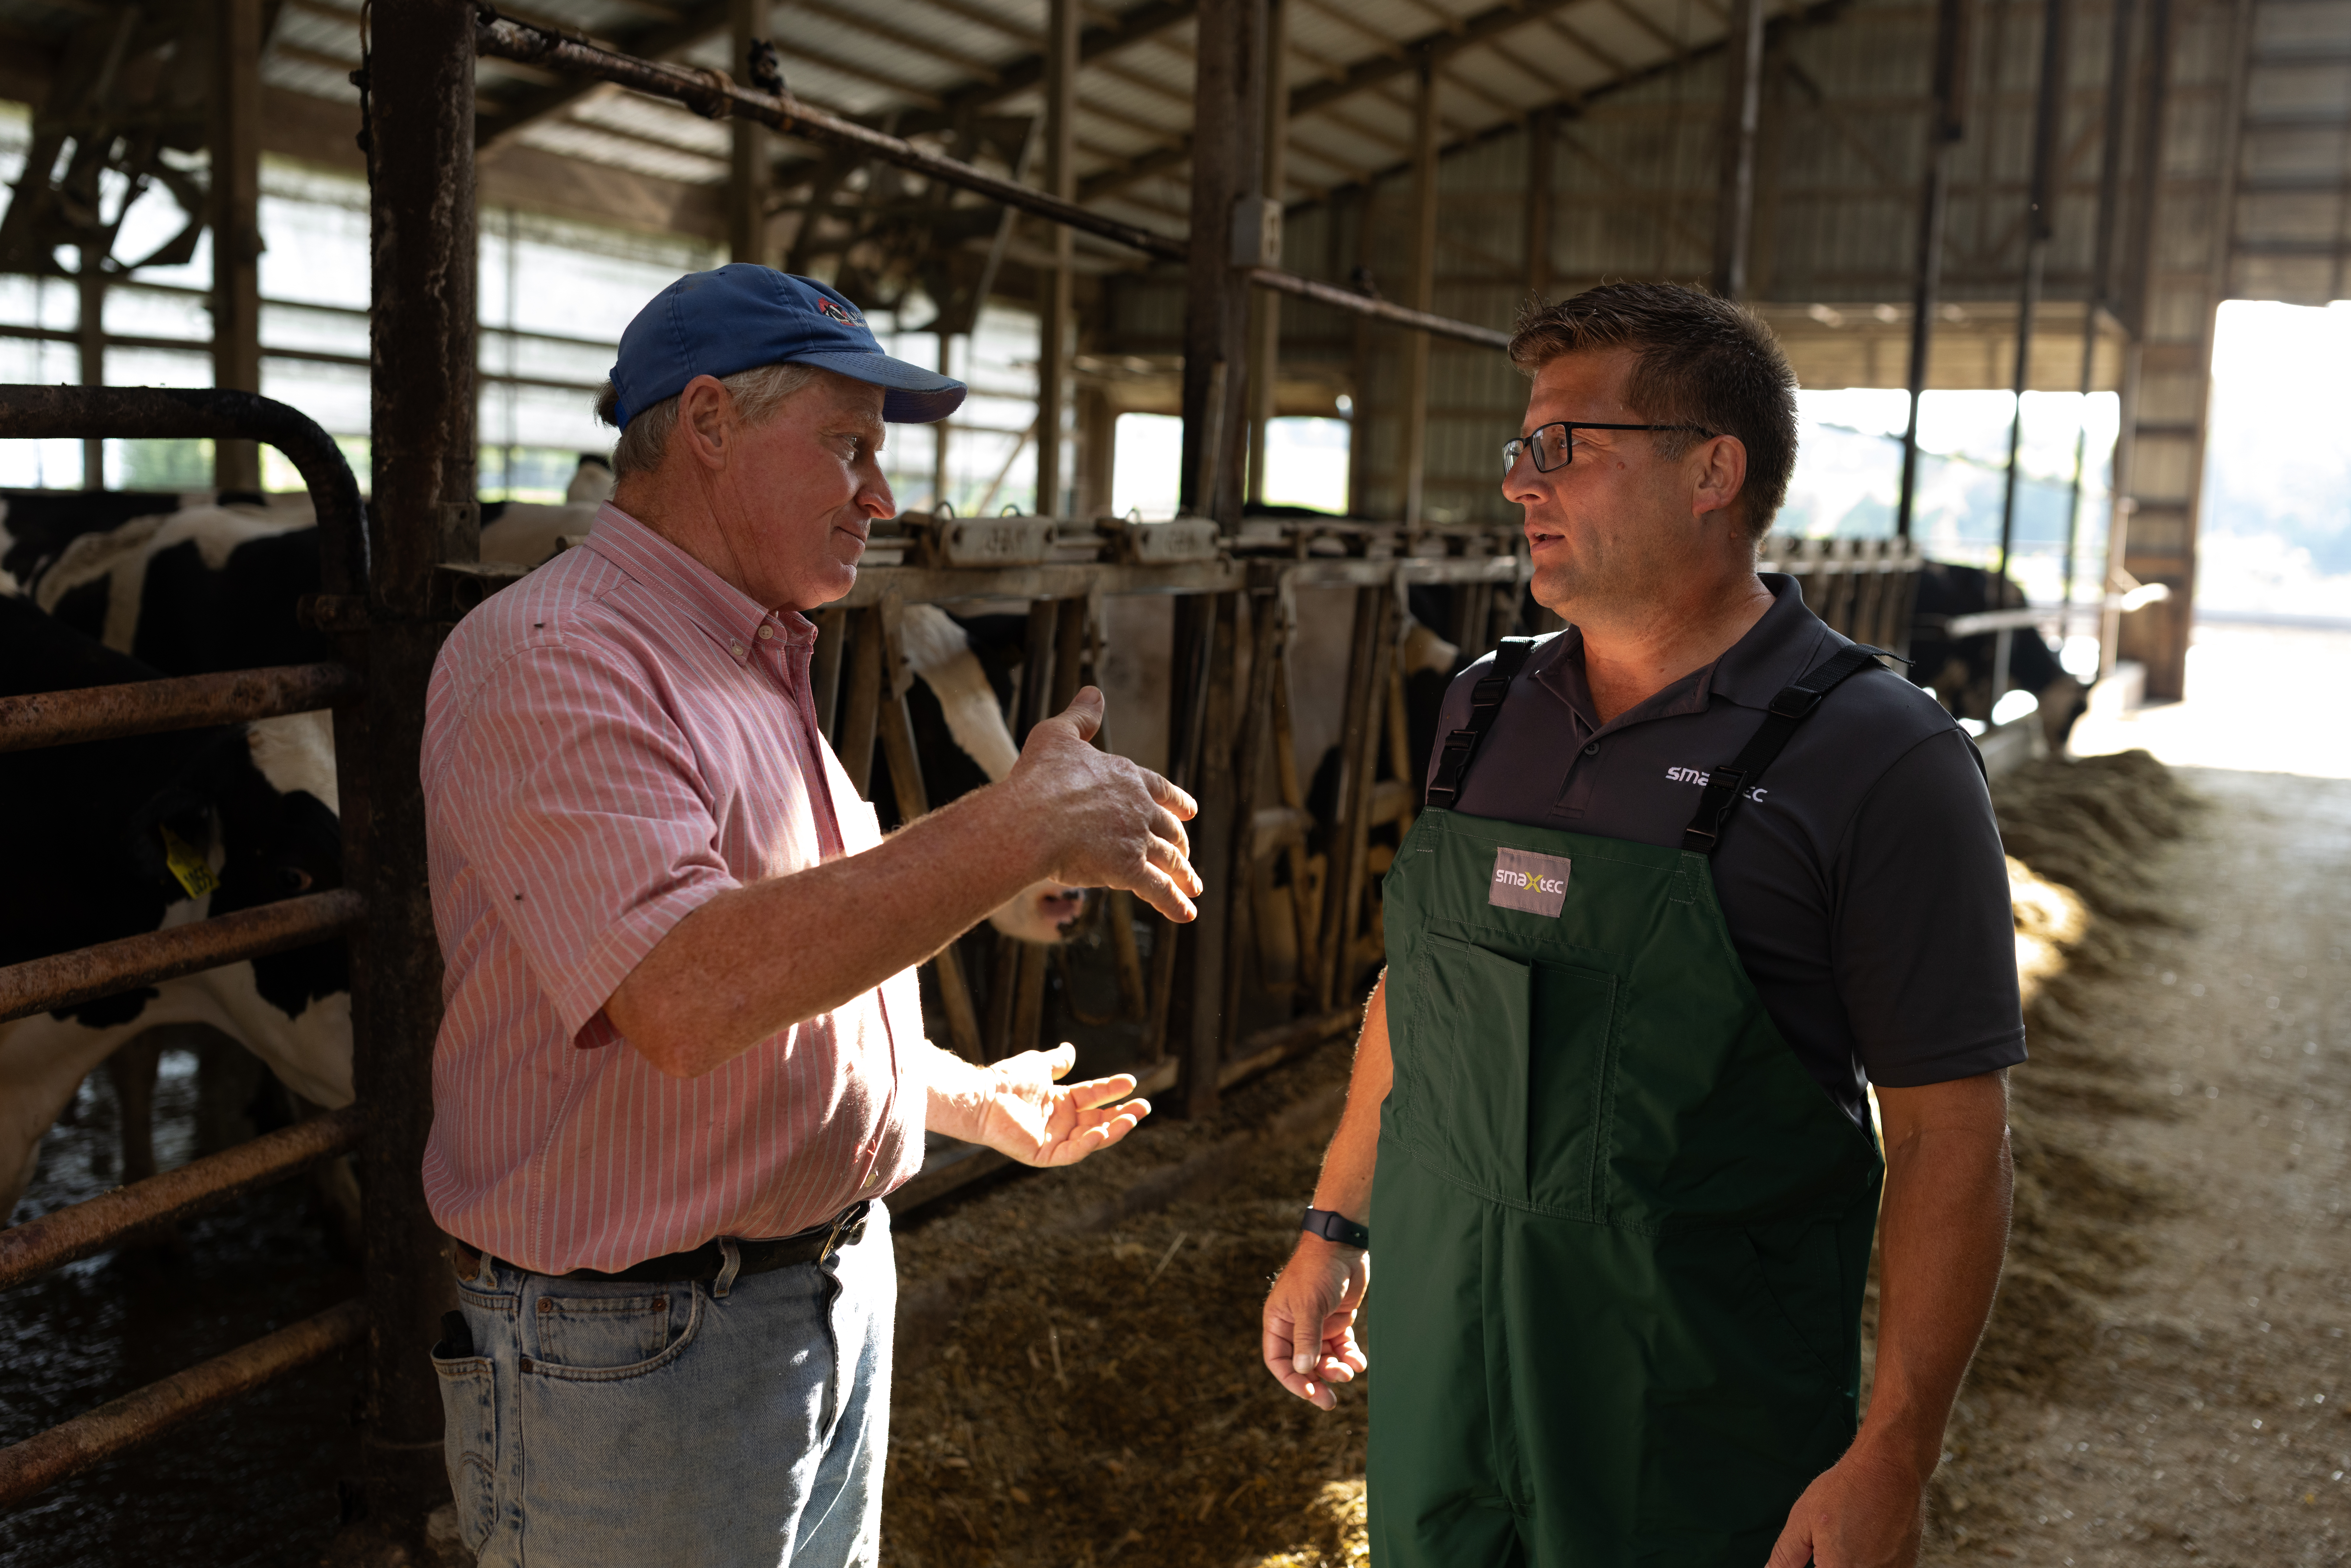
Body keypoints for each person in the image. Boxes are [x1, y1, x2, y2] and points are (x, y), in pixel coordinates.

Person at [421, 264, 1201, 1568]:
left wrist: (956, 1096)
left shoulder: (750, 659)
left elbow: (793, 962)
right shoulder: (556, 653)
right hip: (642, 1356)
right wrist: (1016, 824)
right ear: (712, 421)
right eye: (848, 448)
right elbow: (682, 992)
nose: (881, 498)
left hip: (819, 1296)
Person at [1260, 282, 2021, 1568]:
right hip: (1450, 1385)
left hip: (1689, 1408)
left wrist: (1896, 1448)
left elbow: (1956, 1134)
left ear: (1712, 470)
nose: (1522, 484)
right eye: (1523, 447)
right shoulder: (1481, 709)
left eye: (1565, 447)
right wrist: (1338, 1225)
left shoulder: (1879, 755)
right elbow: (1423, 993)